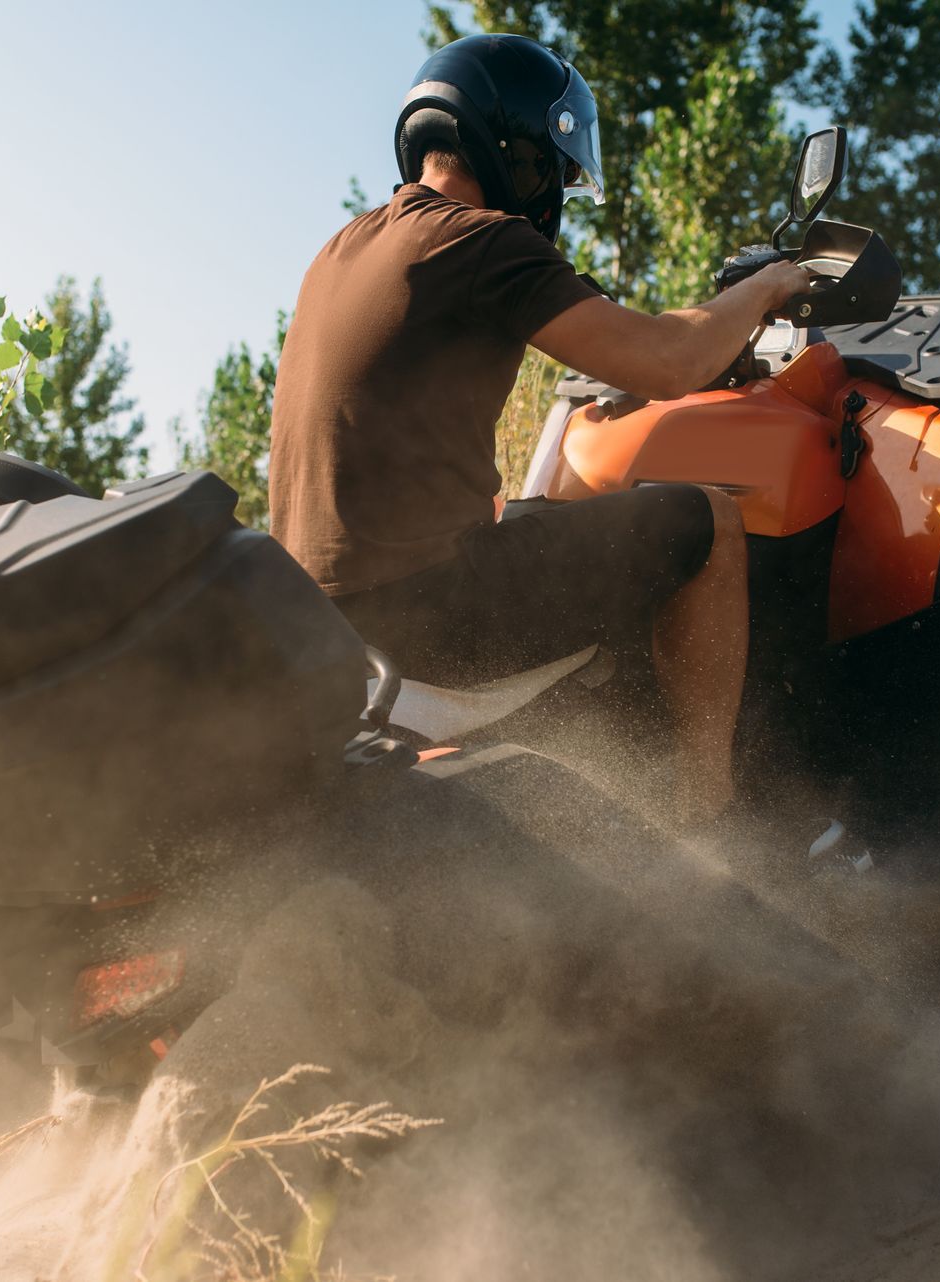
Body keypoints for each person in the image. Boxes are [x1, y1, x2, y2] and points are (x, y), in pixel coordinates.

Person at [268, 33, 812, 825]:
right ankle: (712, 816)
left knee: (535, 517)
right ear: (518, 150)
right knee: (711, 522)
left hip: (326, 623)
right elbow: (665, 360)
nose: (553, 189)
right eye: (554, 168)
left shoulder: (346, 247)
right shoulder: (479, 240)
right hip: (428, 612)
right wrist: (765, 289)